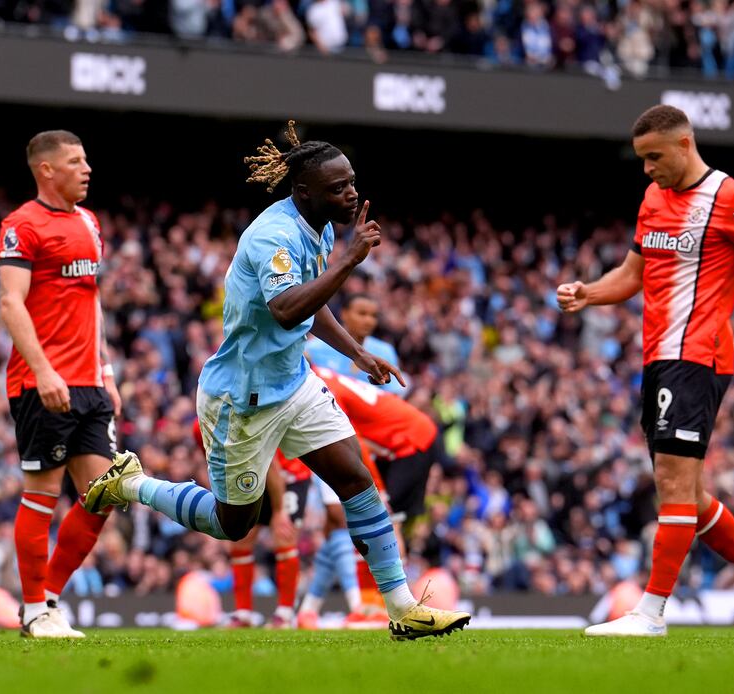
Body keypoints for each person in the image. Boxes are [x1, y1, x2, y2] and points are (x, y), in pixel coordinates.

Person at [85, 120, 469, 640]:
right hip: (241, 399)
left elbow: (315, 299)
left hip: (295, 383)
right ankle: (131, 483)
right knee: (233, 524)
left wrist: (356, 352)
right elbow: (288, 309)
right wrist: (351, 263)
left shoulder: (322, 226)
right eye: (338, 187)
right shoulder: (274, 236)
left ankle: (401, 609)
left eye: (352, 181)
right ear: (305, 192)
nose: (351, 192)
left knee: (357, 479)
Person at [558, 105, 734, 638]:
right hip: (658, 359)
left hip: (698, 356)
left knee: (672, 484)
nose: (647, 169)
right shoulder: (652, 200)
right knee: (687, 496)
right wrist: (587, 293)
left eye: (654, 157)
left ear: (685, 144)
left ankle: (650, 614)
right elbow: (630, 275)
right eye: (642, 159)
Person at [0, 130, 123, 638]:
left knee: (105, 495)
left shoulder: (90, 223)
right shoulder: (21, 225)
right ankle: (32, 609)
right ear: (46, 170)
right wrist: (45, 370)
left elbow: (91, 301)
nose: (86, 168)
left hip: (90, 383)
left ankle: (48, 600)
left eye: (86, 159)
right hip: (41, 383)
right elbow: (10, 303)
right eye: (75, 161)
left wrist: (107, 369)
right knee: (42, 495)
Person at [298, 365, 440, 629]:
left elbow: (354, 442)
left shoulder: (316, 388)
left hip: (409, 442)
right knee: (360, 522)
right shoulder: (325, 377)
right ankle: (369, 605)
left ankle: (393, 606)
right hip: (400, 441)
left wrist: (376, 490)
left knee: (381, 519)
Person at [192, 419, 310, 629]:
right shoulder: (199, 426)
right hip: (254, 477)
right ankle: (243, 614)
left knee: (283, 535)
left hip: (288, 474)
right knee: (240, 539)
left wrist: (279, 511)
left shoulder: (240, 422)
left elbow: (272, 465)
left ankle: (285, 614)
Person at [306, 293, 408, 394]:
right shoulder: (313, 348)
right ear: (344, 314)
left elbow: (393, 394)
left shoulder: (384, 351)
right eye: (362, 314)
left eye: (374, 316)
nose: (369, 321)